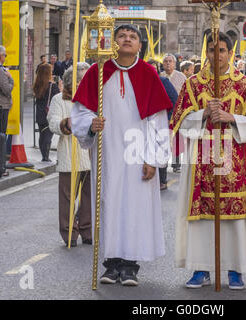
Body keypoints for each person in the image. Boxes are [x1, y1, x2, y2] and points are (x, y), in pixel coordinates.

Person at [171, 32, 246, 290]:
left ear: (231, 53)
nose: (218, 55)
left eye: (223, 50)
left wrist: (232, 118)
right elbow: (179, 121)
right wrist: (203, 113)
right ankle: (201, 268)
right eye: (213, 49)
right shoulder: (193, 84)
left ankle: (235, 270)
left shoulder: (245, 85)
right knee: (203, 216)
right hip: (201, 159)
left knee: (235, 217)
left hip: (235, 157)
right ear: (206, 52)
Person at [71, 24, 172, 286]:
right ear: (113, 42)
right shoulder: (97, 72)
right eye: (122, 36)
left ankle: (130, 266)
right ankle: (111, 263)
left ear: (140, 45)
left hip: (139, 153)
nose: (127, 40)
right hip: (108, 151)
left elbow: (158, 121)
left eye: (133, 37)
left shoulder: (148, 74)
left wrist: (153, 158)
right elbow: (80, 112)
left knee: (136, 206)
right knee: (108, 203)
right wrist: (91, 125)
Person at [47, 62, 92, 247]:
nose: (82, 82)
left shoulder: (93, 99)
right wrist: (67, 123)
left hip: (89, 155)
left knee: (89, 197)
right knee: (68, 198)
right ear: (70, 81)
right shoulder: (60, 99)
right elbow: (53, 122)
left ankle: (87, 230)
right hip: (69, 154)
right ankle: (69, 233)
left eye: (85, 79)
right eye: (79, 79)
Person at [147, 59, 178, 191]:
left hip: (162, 122)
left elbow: (174, 100)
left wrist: (168, 118)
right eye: (150, 69)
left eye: (155, 69)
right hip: (145, 123)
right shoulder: (141, 83)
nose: (153, 72)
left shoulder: (164, 82)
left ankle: (162, 180)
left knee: (161, 151)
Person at [161, 53, 187, 173]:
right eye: (165, 61)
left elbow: (186, 94)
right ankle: (163, 163)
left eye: (170, 61)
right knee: (164, 138)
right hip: (163, 112)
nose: (168, 63)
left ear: (175, 64)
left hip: (177, 111)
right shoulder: (160, 76)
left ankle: (176, 164)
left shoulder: (181, 76)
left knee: (177, 138)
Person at [33, 63, 60, 162]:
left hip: (40, 113)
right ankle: (45, 156)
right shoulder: (52, 86)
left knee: (42, 134)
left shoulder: (37, 85)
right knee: (48, 135)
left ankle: (43, 155)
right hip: (48, 113)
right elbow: (57, 98)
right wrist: (59, 87)